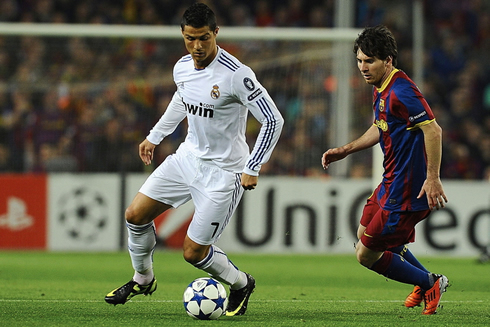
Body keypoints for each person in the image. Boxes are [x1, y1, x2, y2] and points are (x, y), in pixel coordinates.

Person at [104, 3, 284, 317]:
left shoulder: (236, 75)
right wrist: (155, 136)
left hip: (225, 172)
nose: (197, 46)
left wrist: (253, 166)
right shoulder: (182, 67)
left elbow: (273, 120)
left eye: (203, 38)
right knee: (135, 215)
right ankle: (143, 279)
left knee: (193, 252)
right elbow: (181, 99)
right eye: (190, 39)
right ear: (183, 35)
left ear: (216, 33)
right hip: (187, 158)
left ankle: (241, 282)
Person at [321, 25, 449, 315]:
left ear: (388, 60)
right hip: (390, 182)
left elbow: (434, 131)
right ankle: (424, 282)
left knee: (366, 254)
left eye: (370, 61)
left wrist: (433, 178)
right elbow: (382, 127)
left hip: (406, 188)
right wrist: (346, 149)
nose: (363, 68)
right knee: (364, 232)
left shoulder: (402, 92)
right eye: (360, 61)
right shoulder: (383, 87)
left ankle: (430, 282)